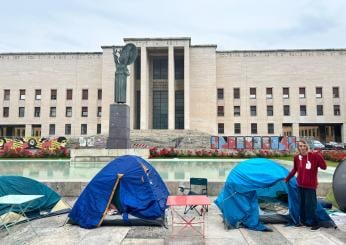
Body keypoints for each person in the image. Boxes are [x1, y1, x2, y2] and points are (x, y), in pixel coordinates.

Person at [285, 139, 327, 230]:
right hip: (300, 185)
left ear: (307, 146)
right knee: (302, 204)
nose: (302, 148)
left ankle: (315, 223)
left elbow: (324, 167)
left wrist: (319, 156)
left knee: (311, 205)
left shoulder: (314, 156)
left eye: (304, 145)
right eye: (300, 146)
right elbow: (294, 170)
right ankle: (303, 221)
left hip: (310, 186)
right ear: (298, 148)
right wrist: (287, 178)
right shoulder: (297, 158)